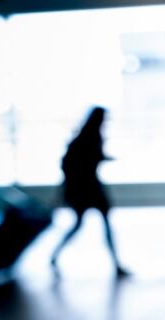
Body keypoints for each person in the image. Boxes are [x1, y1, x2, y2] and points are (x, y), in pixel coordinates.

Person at [50, 107, 129, 277]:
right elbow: (78, 162)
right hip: (88, 188)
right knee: (97, 224)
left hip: (85, 188)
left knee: (83, 224)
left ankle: (55, 256)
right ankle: (116, 264)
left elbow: (72, 163)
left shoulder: (84, 137)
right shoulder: (90, 138)